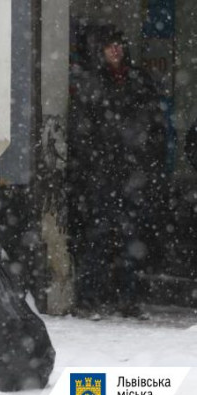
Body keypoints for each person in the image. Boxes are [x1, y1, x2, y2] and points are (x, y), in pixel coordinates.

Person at [67, 30, 166, 319]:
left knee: (130, 237)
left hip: (130, 170)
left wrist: (145, 158)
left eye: (119, 45)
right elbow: (82, 128)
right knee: (99, 236)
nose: (115, 50)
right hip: (105, 171)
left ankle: (127, 298)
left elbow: (154, 122)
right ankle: (89, 298)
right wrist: (95, 159)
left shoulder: (137, 80)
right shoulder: (93, 83)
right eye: (110, 45)